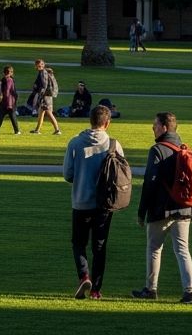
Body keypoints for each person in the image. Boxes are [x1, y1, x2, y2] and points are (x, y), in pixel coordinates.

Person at [132, 112, 192, 305]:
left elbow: (149, 183)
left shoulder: (157, 150)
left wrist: (141, 211)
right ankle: (190, 292)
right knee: (182, 250)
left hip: (162, 208)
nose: (152, 128)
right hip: (185, 207)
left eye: (155, 125)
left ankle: (151, 289)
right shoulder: (184, 148)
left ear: (164, 127)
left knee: (154, 248)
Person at [63, 103, 120, 300]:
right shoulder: (113, 144)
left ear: (90, 120)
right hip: (104, 204)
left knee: (78, 243)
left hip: (80, 201)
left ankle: (83, 275)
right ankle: (96, 289)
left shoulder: (75, 143)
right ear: (108, 123)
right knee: (100, 246)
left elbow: (67, 174)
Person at [30, 58, 62, 135]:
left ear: (43, 65)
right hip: (47, 95)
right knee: (41, 112)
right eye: (37, 65)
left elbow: (44, 85)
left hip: (45, 96)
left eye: (40, 65)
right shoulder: (44, 72)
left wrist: (40, 94)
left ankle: (57, 130)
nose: (38, 67)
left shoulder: (42, 73)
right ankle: (37, 130)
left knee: (49, 113)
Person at [0, 65, 21, 135]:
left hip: (4, 101)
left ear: (4, 72)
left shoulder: (3, 79)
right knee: (12, 116)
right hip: (9, 101)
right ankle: (17, 131)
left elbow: (4, 90)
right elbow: (8, 90)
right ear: (11, 72)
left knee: (2, 116)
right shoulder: (10, 80)